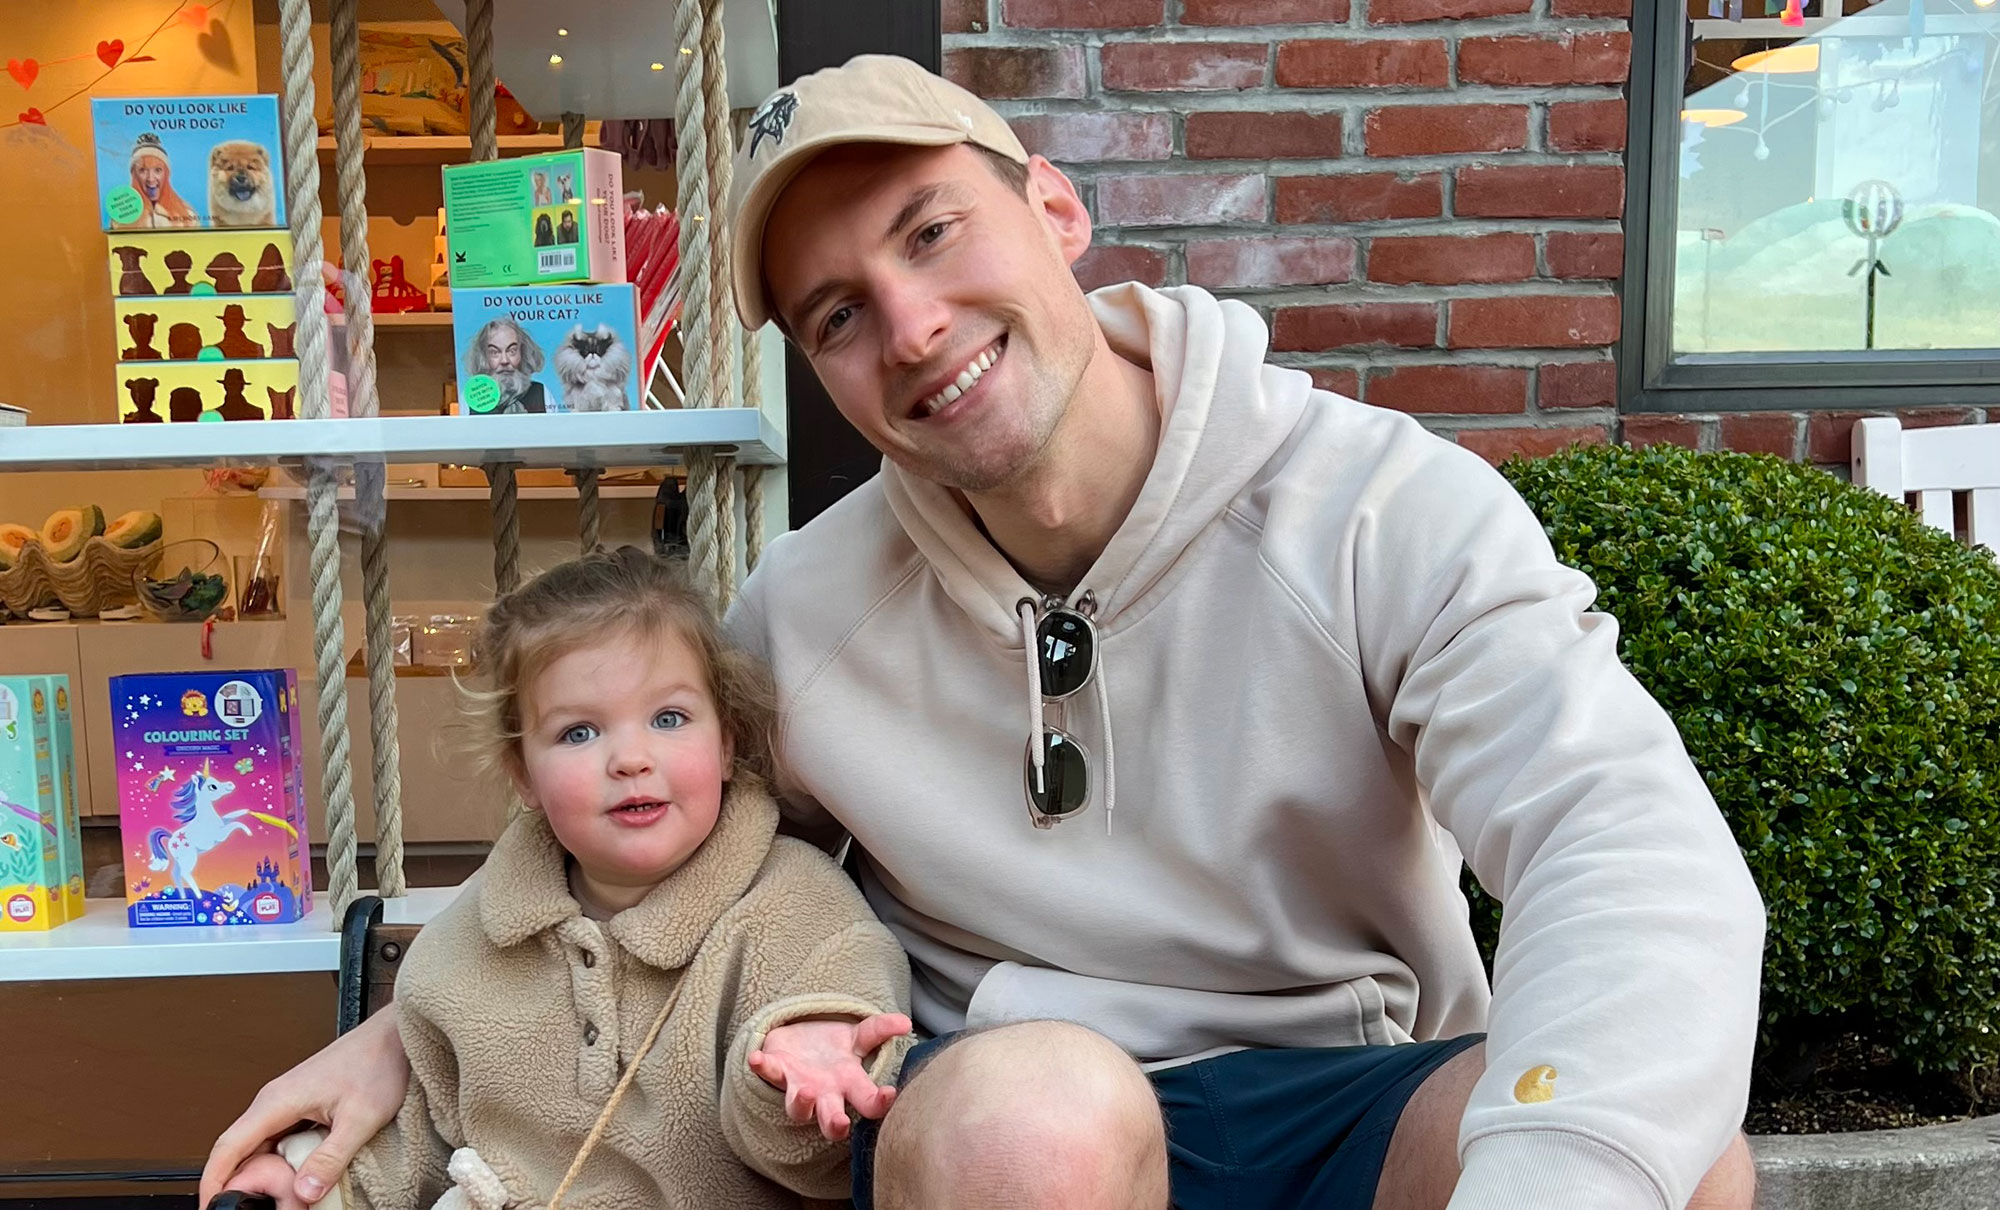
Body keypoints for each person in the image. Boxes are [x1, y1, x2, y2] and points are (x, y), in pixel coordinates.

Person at [204, 54, 1767, 1210]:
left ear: (1057, 208)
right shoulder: (800, 615)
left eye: (932, 232)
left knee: (1674, 1160)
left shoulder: (1371, 504)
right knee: (1036, 1115)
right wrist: (411, 1039)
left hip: (1346, 1087)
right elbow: (633, 854)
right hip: (1013, 1119)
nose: (910, 325)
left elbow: (1617, 834)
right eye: (835, 313)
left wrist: (1558, 1176)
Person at [211, 547, 913, 1210]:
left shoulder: (795, 907)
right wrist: (318, 1180)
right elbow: (427, 1129)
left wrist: (796, 1070)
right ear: (523, 775)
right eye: (579, 732)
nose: (631, 758)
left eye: (669, 718)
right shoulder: (475, 941)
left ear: (727, 743)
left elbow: (821, 1163)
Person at [460, 317, 547, 413]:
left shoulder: (542, 393)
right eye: (494, 352)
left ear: (523, 352)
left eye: (512, 351)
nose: (504, 360)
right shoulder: (471, 397)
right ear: (483, 356)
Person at [118, 133, 198, 229]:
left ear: (166, 174)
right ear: (134, 175)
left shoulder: (187, 214)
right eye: (142, 170)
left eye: (158, 170)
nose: (151, 179)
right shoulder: (122, 215)